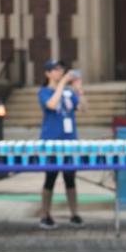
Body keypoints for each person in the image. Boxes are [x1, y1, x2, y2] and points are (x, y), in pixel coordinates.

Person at [38, 59, 85, 229]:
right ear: (48, 73)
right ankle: (45, 214)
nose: (59, 72)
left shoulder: (68, 92)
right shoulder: (44, 92)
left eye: (61, 70)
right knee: (50, 177)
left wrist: (79, 91)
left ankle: (75, 213)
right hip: (52, 141)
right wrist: (63, 84)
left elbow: (83, 108)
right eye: (55, 70)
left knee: (70, 178)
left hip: (69, 140)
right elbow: (51, 105)